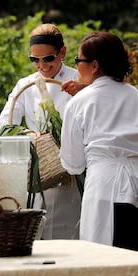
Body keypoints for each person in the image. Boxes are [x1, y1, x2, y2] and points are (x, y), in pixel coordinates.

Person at [0, 23, 82, 239]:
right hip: (40, 170)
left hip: (72, 173)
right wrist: (27, 134)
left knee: (70, 234)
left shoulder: (79, 81)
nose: (41, 65)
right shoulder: (26, 85)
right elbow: (2, 125)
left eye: (48, 58)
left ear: (62, 52)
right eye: (35, 60)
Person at [60, 31, 138, 251]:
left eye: (78, 60)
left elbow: (73, 164)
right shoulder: (135, 95)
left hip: (105, 184)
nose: (76, 66)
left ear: (94, 66)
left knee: (104, 255)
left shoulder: (80, 102)